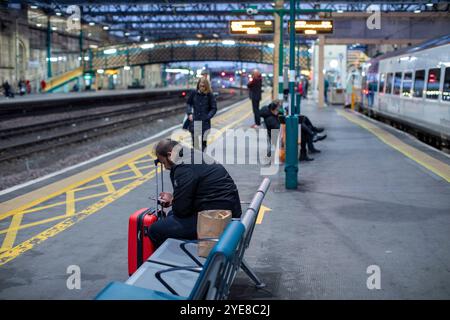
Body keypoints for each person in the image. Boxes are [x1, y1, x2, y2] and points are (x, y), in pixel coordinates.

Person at [147, 139, 242, 248]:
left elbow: (182, 211)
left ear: (169, 155)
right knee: (170, 216)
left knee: (155, 230)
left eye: (163, 162)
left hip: (217, 218)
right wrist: (174, 199)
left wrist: (174, 201)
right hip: (228, 211)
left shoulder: (183, 167)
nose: (166, 167)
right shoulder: (192, 155)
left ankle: (172, 262)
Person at [186, 77, 217, 152]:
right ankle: (196, 161)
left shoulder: (210, 95)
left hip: (205, 122)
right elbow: (189, 104)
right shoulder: (194, 93)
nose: (202, 88)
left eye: (203, 86)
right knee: (195, 144)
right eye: (200, 86)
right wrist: (190, 113)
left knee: (203, 143)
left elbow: (214, 108)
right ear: (198, 85)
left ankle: (203, 160)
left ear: (206, 86)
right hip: (195, 120)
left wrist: (208, 117)